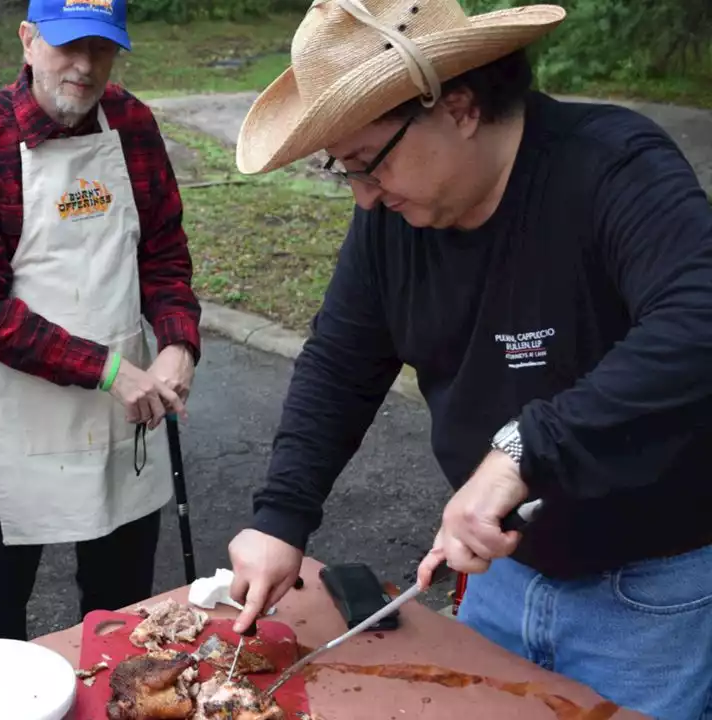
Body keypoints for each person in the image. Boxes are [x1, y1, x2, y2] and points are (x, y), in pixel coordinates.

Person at [225, 0, 712, 717]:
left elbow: (697, 314)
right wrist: (281, 516)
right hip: (502, 574)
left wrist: (522, 451)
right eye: (344, 171)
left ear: (457, 107)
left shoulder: (612, 166)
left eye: (368, 163)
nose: (363, 198)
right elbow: (341, 362)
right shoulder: (395, 219)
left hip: (650, 590)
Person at [0, 0, 203, 642]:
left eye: (100, 49)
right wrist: (108, 369)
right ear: (27, 40)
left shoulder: (131, 124)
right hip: (3, 430)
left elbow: (163, 253)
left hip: (124, 413)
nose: (83, 66)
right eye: (66, 46)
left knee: (121, 613)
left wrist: (178, 344)